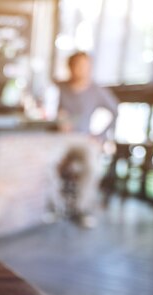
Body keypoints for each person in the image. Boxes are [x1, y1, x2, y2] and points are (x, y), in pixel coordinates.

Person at [55, 52, 119, 227]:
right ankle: (55, 206)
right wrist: (59, 119)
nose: (82, 70)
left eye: (86, 66)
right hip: (58, 138)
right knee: (47, 163)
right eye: (78, 65)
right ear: (70, 67)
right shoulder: (59, 87)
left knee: (93, 166)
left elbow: (114, 111)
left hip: (84, 139)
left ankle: (81, 209)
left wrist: (101, 136)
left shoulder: (96, 90)